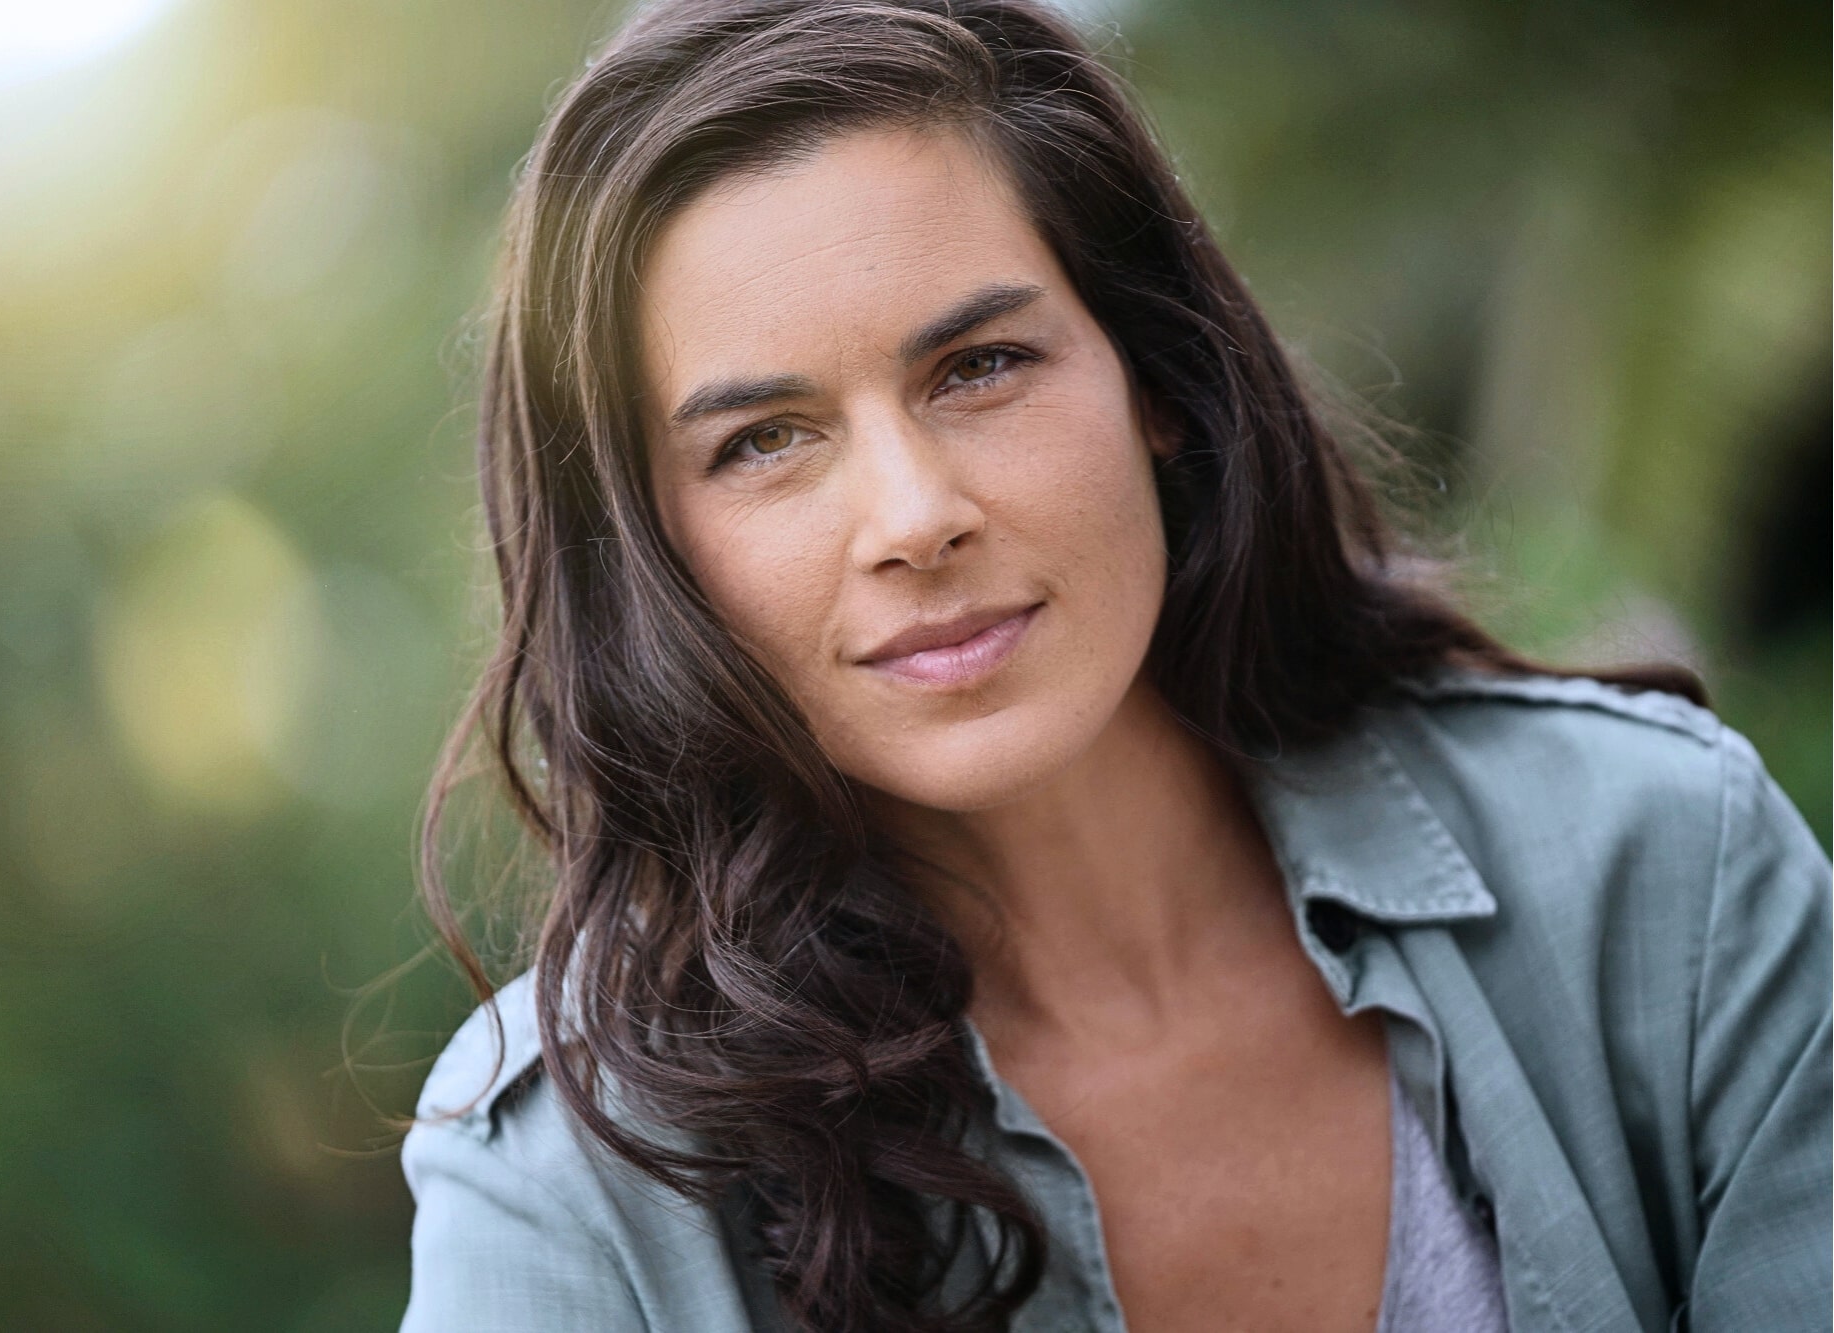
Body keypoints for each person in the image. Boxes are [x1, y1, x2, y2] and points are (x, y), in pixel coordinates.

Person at [397, 0, 1832, 1328]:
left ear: (1153, 375)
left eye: (979, 366)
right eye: (763, 442)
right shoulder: (570, 1178)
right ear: (652, 551)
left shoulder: (1660, 866)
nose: (914, 518)